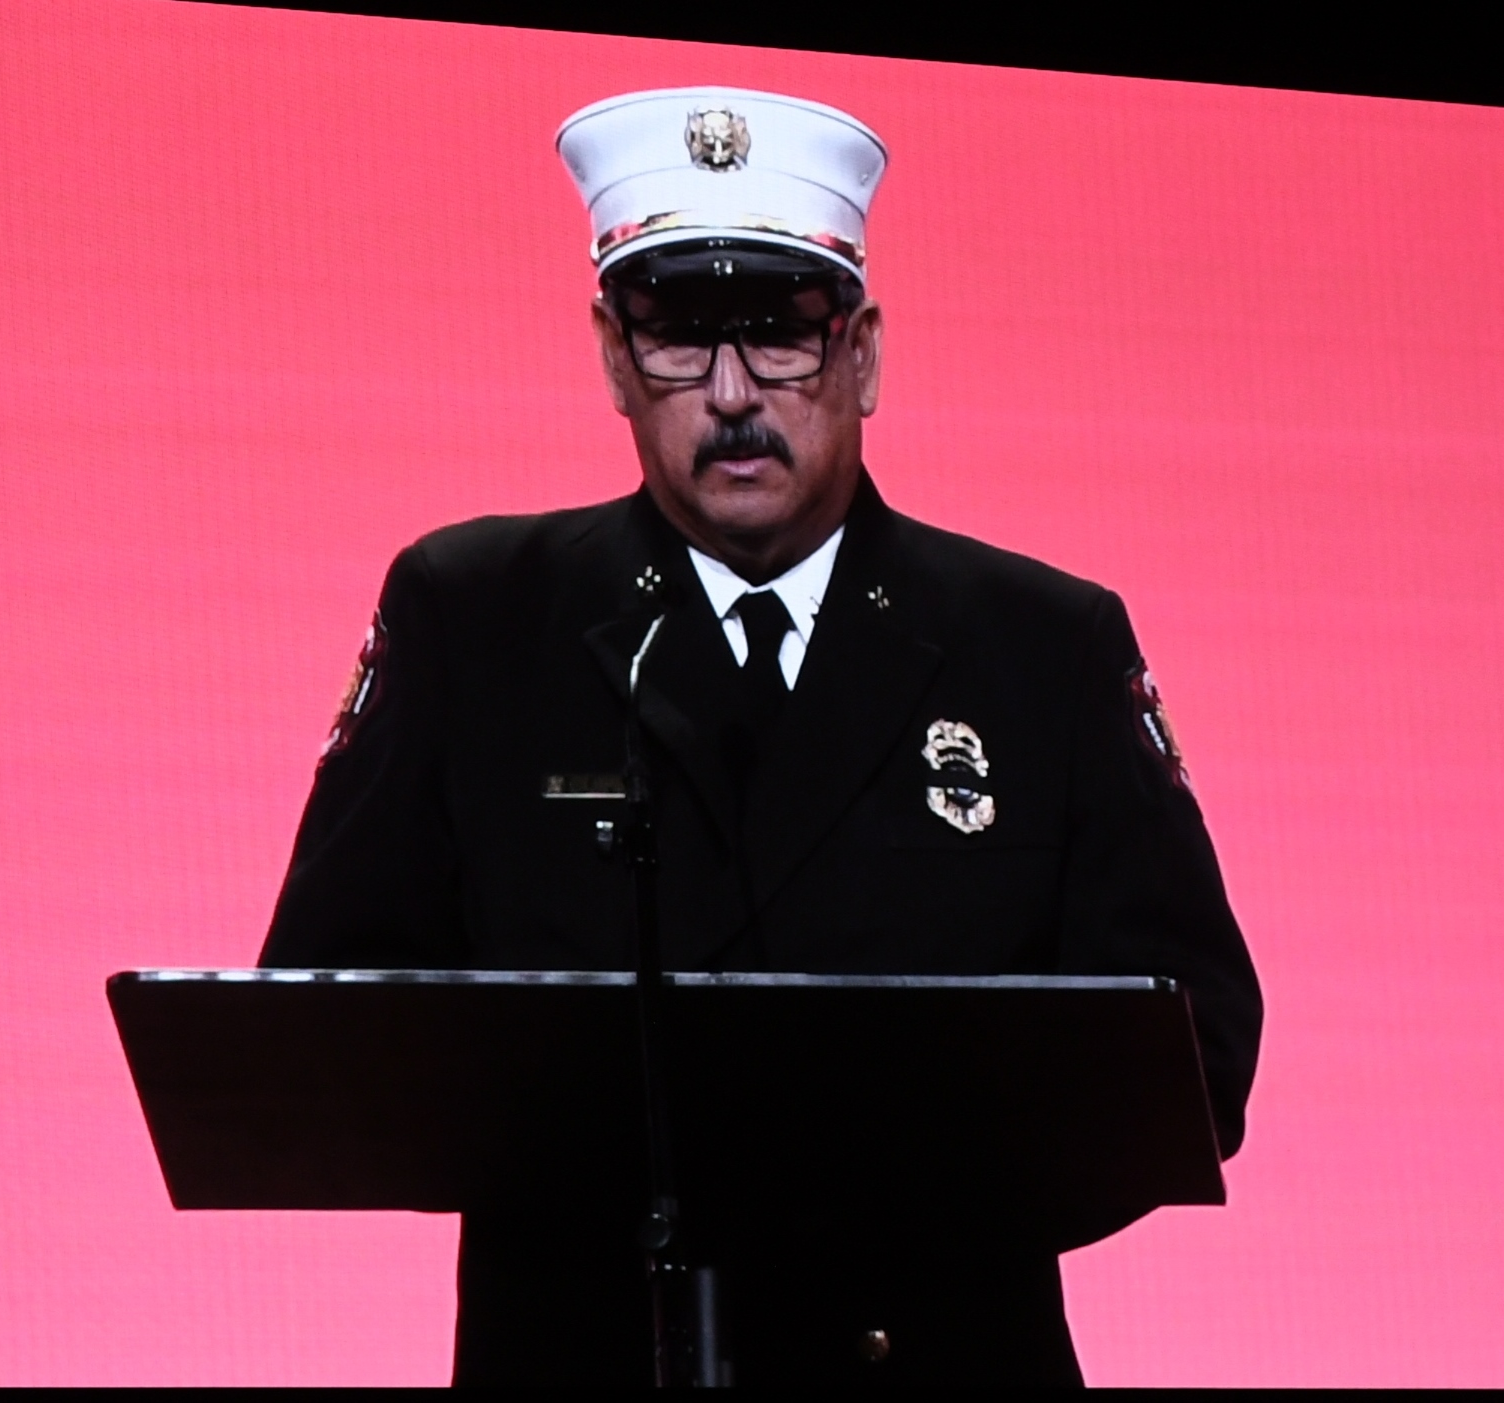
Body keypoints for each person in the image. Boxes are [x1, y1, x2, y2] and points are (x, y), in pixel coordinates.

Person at [260, 86, 1262, 1387]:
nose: (733, 394)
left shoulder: (1039, 644)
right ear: (613, 358)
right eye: (679, 338)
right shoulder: (479, 618)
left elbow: (1196, 1057)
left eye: (783, 335)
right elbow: (324, 1036)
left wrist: (883, 1189)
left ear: (863, 355)